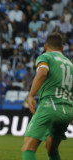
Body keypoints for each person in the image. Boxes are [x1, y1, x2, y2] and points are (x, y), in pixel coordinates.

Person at [22, 32, 73, 160]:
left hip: (49, 106)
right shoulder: (70, 64)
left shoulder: (46, 57)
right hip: (67, 111)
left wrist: (31, 95)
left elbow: (42, 73)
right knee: (52, 149)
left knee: (28, 148)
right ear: (62, 48)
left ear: (45, 46)